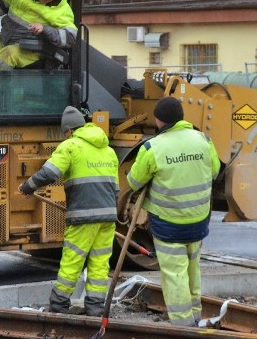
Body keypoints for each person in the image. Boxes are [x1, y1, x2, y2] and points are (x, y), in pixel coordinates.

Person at [126, 97, 221, 326]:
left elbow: (134, 182)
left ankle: (181, 322)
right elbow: (215, 171)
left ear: (159, 120)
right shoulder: (203, 140)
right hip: (199, 220)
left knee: (174, 272)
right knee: (192, 268)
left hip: (169, 223)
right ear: (181, 117)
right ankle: (196, 315)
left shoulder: (153, 147)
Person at [18, 106, 119, 316]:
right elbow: (116, 187)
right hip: (108, 215)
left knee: (73, 259)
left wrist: (28, 186)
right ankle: (95, 307)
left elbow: (49, 173)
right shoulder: (108, 150)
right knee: (100, 262)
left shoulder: (71, 146)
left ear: (69, 131)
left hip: (83, 216)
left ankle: (59, 303)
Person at [0, 0, 77, 70]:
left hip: (31, 49)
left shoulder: (62, 10)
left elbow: (71, 37)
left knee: (7, 55)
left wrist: (45, 29)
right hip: (5, 38)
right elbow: (0, 6)